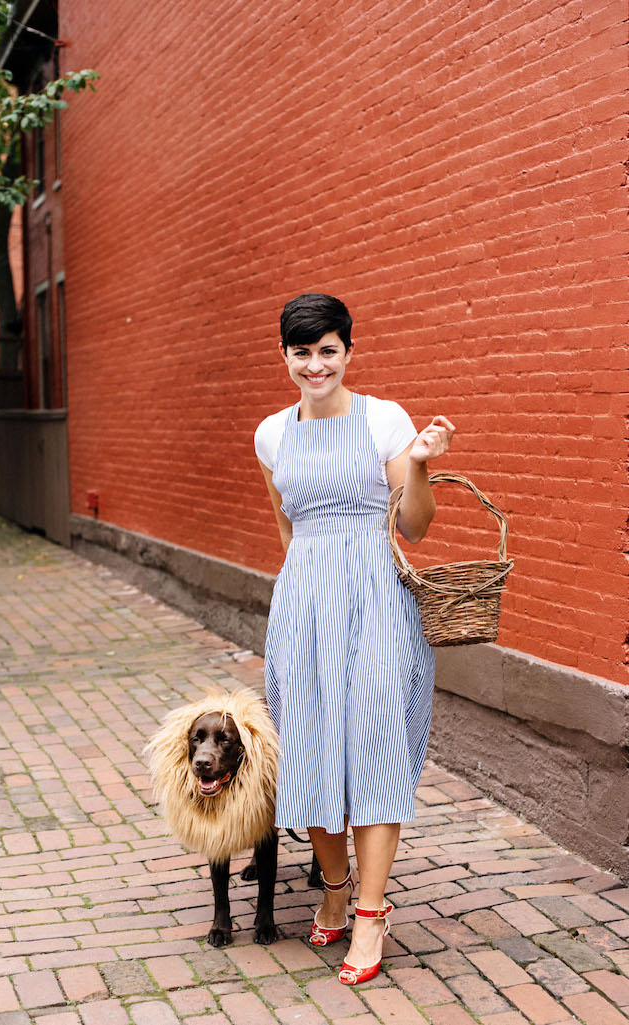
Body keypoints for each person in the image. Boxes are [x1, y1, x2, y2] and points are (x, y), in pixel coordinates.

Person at [254, 293, 454, 985]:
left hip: (374, 599)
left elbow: (416, 528)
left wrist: (421, 461)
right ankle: (334, 887)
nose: (316, 365)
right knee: (308, 748)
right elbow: (288, 529)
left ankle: (371, 913)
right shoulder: (271, 434)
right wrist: (296, 599)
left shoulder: (384, 419)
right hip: (304, 603)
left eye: (328, 350)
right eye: (302, 352)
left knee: (373, 749)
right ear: (285, 356)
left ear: (348, 351)